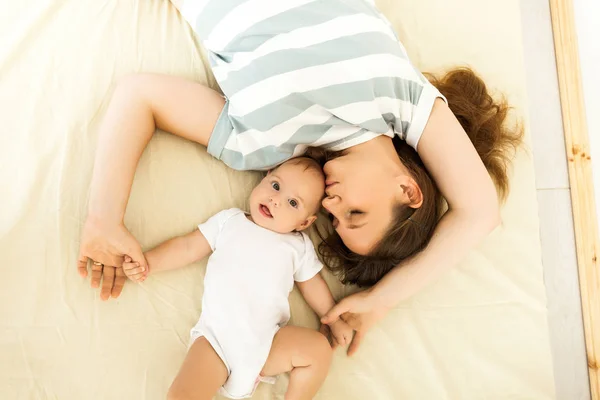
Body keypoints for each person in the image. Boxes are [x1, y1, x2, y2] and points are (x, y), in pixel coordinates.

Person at [77, 0, 522, 356]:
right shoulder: (404, 102)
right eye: (356, 213)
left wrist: (104, 218)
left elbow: (139, 96)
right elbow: (480, 212)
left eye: (335, 218)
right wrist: (381, 301)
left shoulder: (264, 153)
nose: (331, 206)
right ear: (407, 188)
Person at [121, 157, 352, 399]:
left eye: (292, 202)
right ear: (266, 176)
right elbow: (188, 247)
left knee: (318, 349)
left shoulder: (298, 246)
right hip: (216, 340)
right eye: (275, 186)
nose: (276, 200)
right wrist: (147, 262)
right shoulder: (229, 221)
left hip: (268, 343)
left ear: (304, 222)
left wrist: (333, 319)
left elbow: (312, 284)